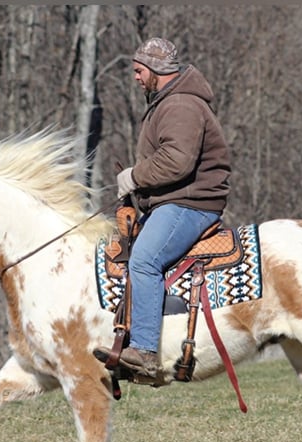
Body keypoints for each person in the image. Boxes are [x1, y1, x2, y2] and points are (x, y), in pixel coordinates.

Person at [95, 37, 231, 380]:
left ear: (157, 70)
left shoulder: (181, 105)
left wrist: (134, 177)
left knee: (143, 259)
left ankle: (144, 351)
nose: (136, 77)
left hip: (190, 204)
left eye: (140, 71)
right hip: (176, 201)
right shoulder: (169, 102)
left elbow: (177, 161)